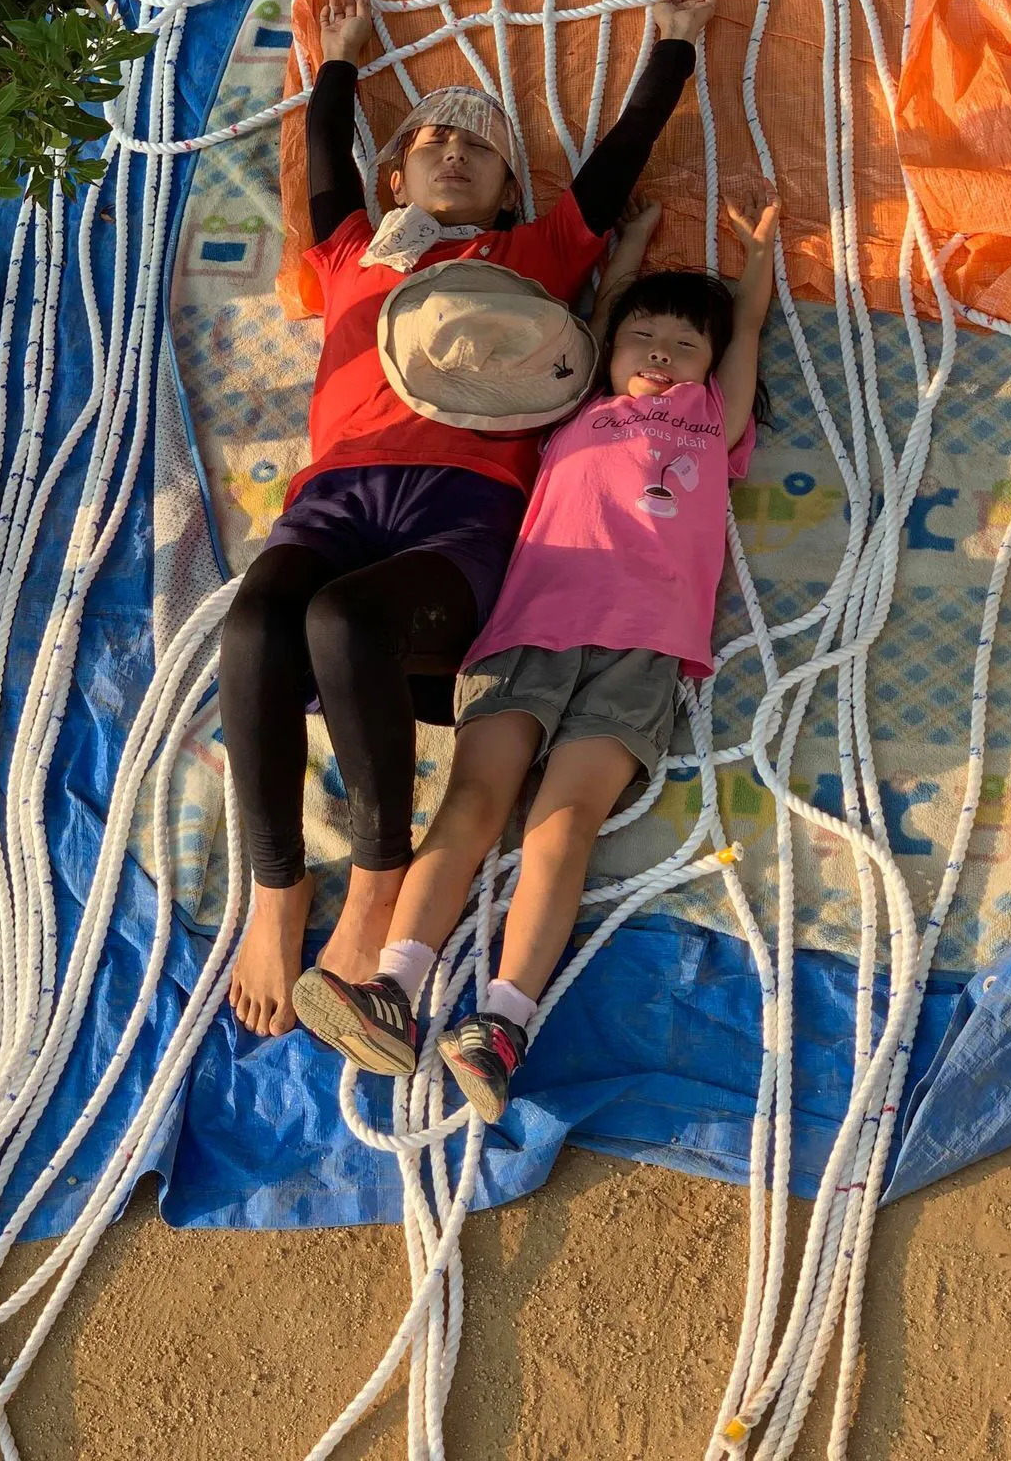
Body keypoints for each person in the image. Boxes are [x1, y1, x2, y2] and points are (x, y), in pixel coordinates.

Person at [221, 0, 719, 1036]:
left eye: (482, 150)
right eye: (434, 141)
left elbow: (618, 158)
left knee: (342, 620)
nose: (455, 152)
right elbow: (324, 156)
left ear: (506, 194)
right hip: (335, 493)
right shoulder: (352, 251)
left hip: (466, 509)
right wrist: (339, 60)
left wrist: (673, 43)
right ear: (395, 174)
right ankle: (275, 886)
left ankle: (377, 880)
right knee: (257, 622)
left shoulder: (535, 257)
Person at [292, 185, 779, 1120]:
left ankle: (502, 1023)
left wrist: (756, 266)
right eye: (644, 338)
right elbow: (600, 313)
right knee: (473, 800)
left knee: (563, 826)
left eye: (684, 345)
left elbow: (747, 327)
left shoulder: (714, 423)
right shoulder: (572, 407)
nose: (660, 354)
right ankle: (394, 987)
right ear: (610, 350)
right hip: (526, 630)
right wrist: (629, 245)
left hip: (644, 649)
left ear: (711, 366)